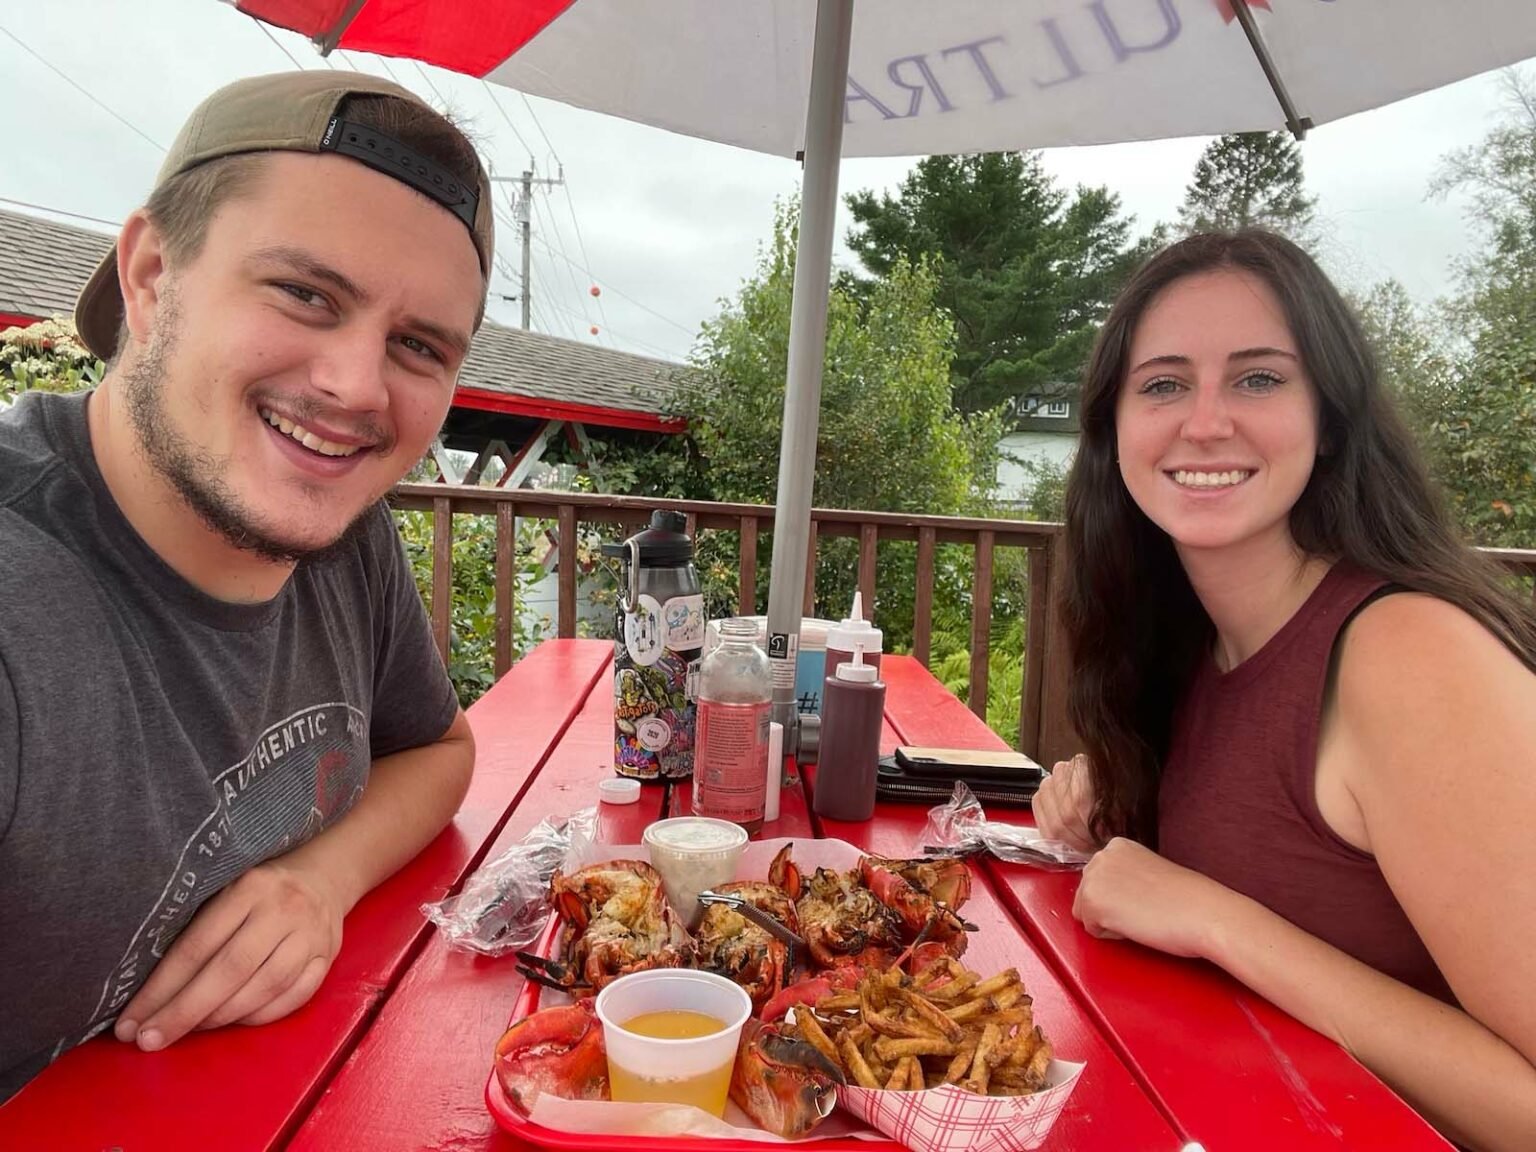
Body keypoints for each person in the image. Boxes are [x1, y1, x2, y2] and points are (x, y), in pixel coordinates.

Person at [0, 71, 495, 1102]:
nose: (356, 389)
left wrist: (321, 879)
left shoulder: (344, 539)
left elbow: (439, 752)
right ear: (148, 274)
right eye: (306, 294)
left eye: (417, 346)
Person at [1031, 228, 1536, 1149]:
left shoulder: (1409, 653)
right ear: (1115, 427)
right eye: (1163, 383)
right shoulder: (1190, 645)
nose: (1206, 421)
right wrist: (1118, 810)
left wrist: (1216, 918)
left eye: (1258, 378)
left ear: (1330, 417)